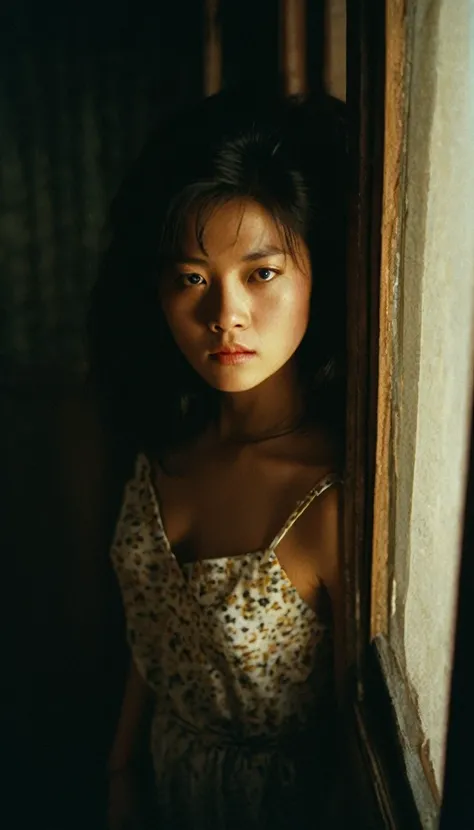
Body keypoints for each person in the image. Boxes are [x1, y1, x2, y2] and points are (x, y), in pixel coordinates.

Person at [88, 85, 348, 829]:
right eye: (192, 278)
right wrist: (119, 771)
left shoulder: (331, 500)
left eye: (261, 273)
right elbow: (157, 633)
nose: (224, 315)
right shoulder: (166, 445)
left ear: (315, 276)